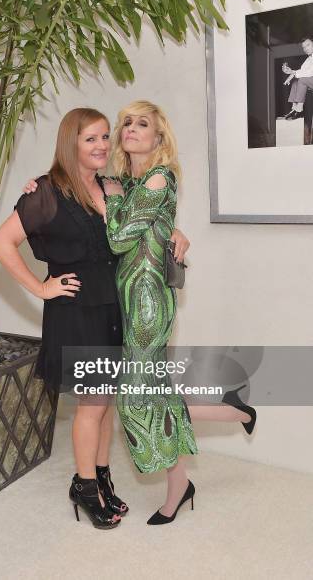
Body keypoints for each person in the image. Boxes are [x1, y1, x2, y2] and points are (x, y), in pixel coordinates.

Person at [0, 107, 190, 530]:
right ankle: (84, 488)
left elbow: (145, 221)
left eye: (104, 137)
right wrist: (41, 287)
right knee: (92, 404)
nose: (101, 145)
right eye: (90, 139)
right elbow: (1, 243)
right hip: (76, 311)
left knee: (104, 405)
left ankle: (101, 478)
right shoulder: (46, 190)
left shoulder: (111, 183)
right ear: (71, 144)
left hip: (114, 307)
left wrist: (175, 232)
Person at [102, 100, 257, 525]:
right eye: (126, 123)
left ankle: (179, 482)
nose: (130, 129)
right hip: (127, 301)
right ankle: (231, 413)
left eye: (142, 124)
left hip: (149, 302)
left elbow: (118, 239)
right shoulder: (125, 181)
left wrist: (113, 198)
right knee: (151, 393)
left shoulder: (157, 178)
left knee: (137, 396)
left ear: (158, 137)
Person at [282, 37, 313, 120]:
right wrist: (290, 74)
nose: (306, 48)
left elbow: (310, 72)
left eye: (308, 45)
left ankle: (299, 109)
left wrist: (293, 72)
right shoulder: (308, 59)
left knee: (302, 80)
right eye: (304, 47)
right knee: (296, 82)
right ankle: (294, 108)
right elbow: (301, 71)